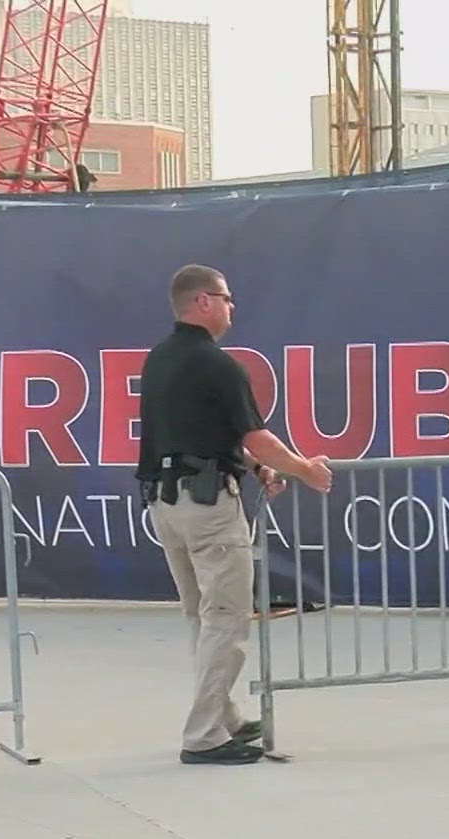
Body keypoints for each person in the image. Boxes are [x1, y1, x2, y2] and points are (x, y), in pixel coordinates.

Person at [137, 264, 334, 764]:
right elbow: (256, 437)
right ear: (203, 301)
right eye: (226, 298)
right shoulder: (219, 365)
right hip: (208, 509)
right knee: (225, 619)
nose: (231, 307)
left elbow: (198, 435)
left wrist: (253, 467)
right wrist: (304, 469)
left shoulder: (158, 361)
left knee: (201, 618)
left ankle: (223, 717)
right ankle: (204, 735)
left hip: (168, 503)